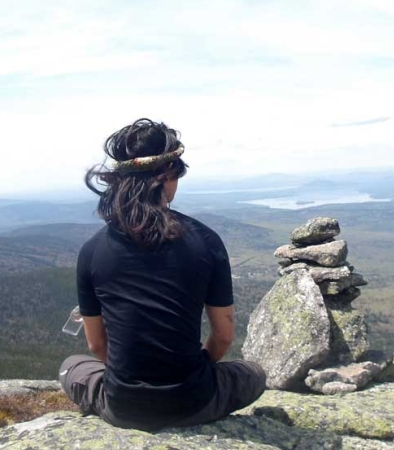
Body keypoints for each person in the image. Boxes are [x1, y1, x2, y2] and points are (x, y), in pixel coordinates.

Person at [58, 118, 267, 431]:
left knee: (70, 367)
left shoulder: (92, 251)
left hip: (123, 408)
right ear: (168, 175)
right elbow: (223, 336)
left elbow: (97, 347)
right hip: (195, 401)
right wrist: (192, 375)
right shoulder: (206, 241)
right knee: (255, 374)